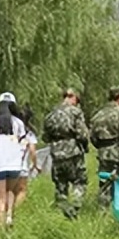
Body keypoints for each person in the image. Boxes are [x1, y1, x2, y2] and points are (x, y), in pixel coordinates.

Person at [43, 88, 90, 218]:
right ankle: (74, 208)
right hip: (73, 153)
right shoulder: (75, 112)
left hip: (56, 154)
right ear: (73, 98)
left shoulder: (51, 114)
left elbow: (45, 137)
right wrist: (85, 147)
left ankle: (64, 209)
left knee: (60, 184)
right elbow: (82, 134)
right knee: (80, 181)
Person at [0, 93, 27, 227]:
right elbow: (24, 144)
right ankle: (9, 217)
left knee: (1, 198)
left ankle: (1, 229)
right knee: (10, 191)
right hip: (15, 166)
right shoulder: (18, 123)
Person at [88, 86, 119, 208]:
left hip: (103, 152)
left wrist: (101, 147)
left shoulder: (97, 115)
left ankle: (103, 209)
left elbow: (93, 138)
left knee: (105, 182)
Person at [13, 103, 40, 209]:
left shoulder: (11, 132)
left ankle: (8, 211)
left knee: (10, 191)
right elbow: (32, 151)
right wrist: (35, 165)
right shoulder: (29, 134)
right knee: (22, 190)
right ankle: (16, 210)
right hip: (22, 167)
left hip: (8, 165)